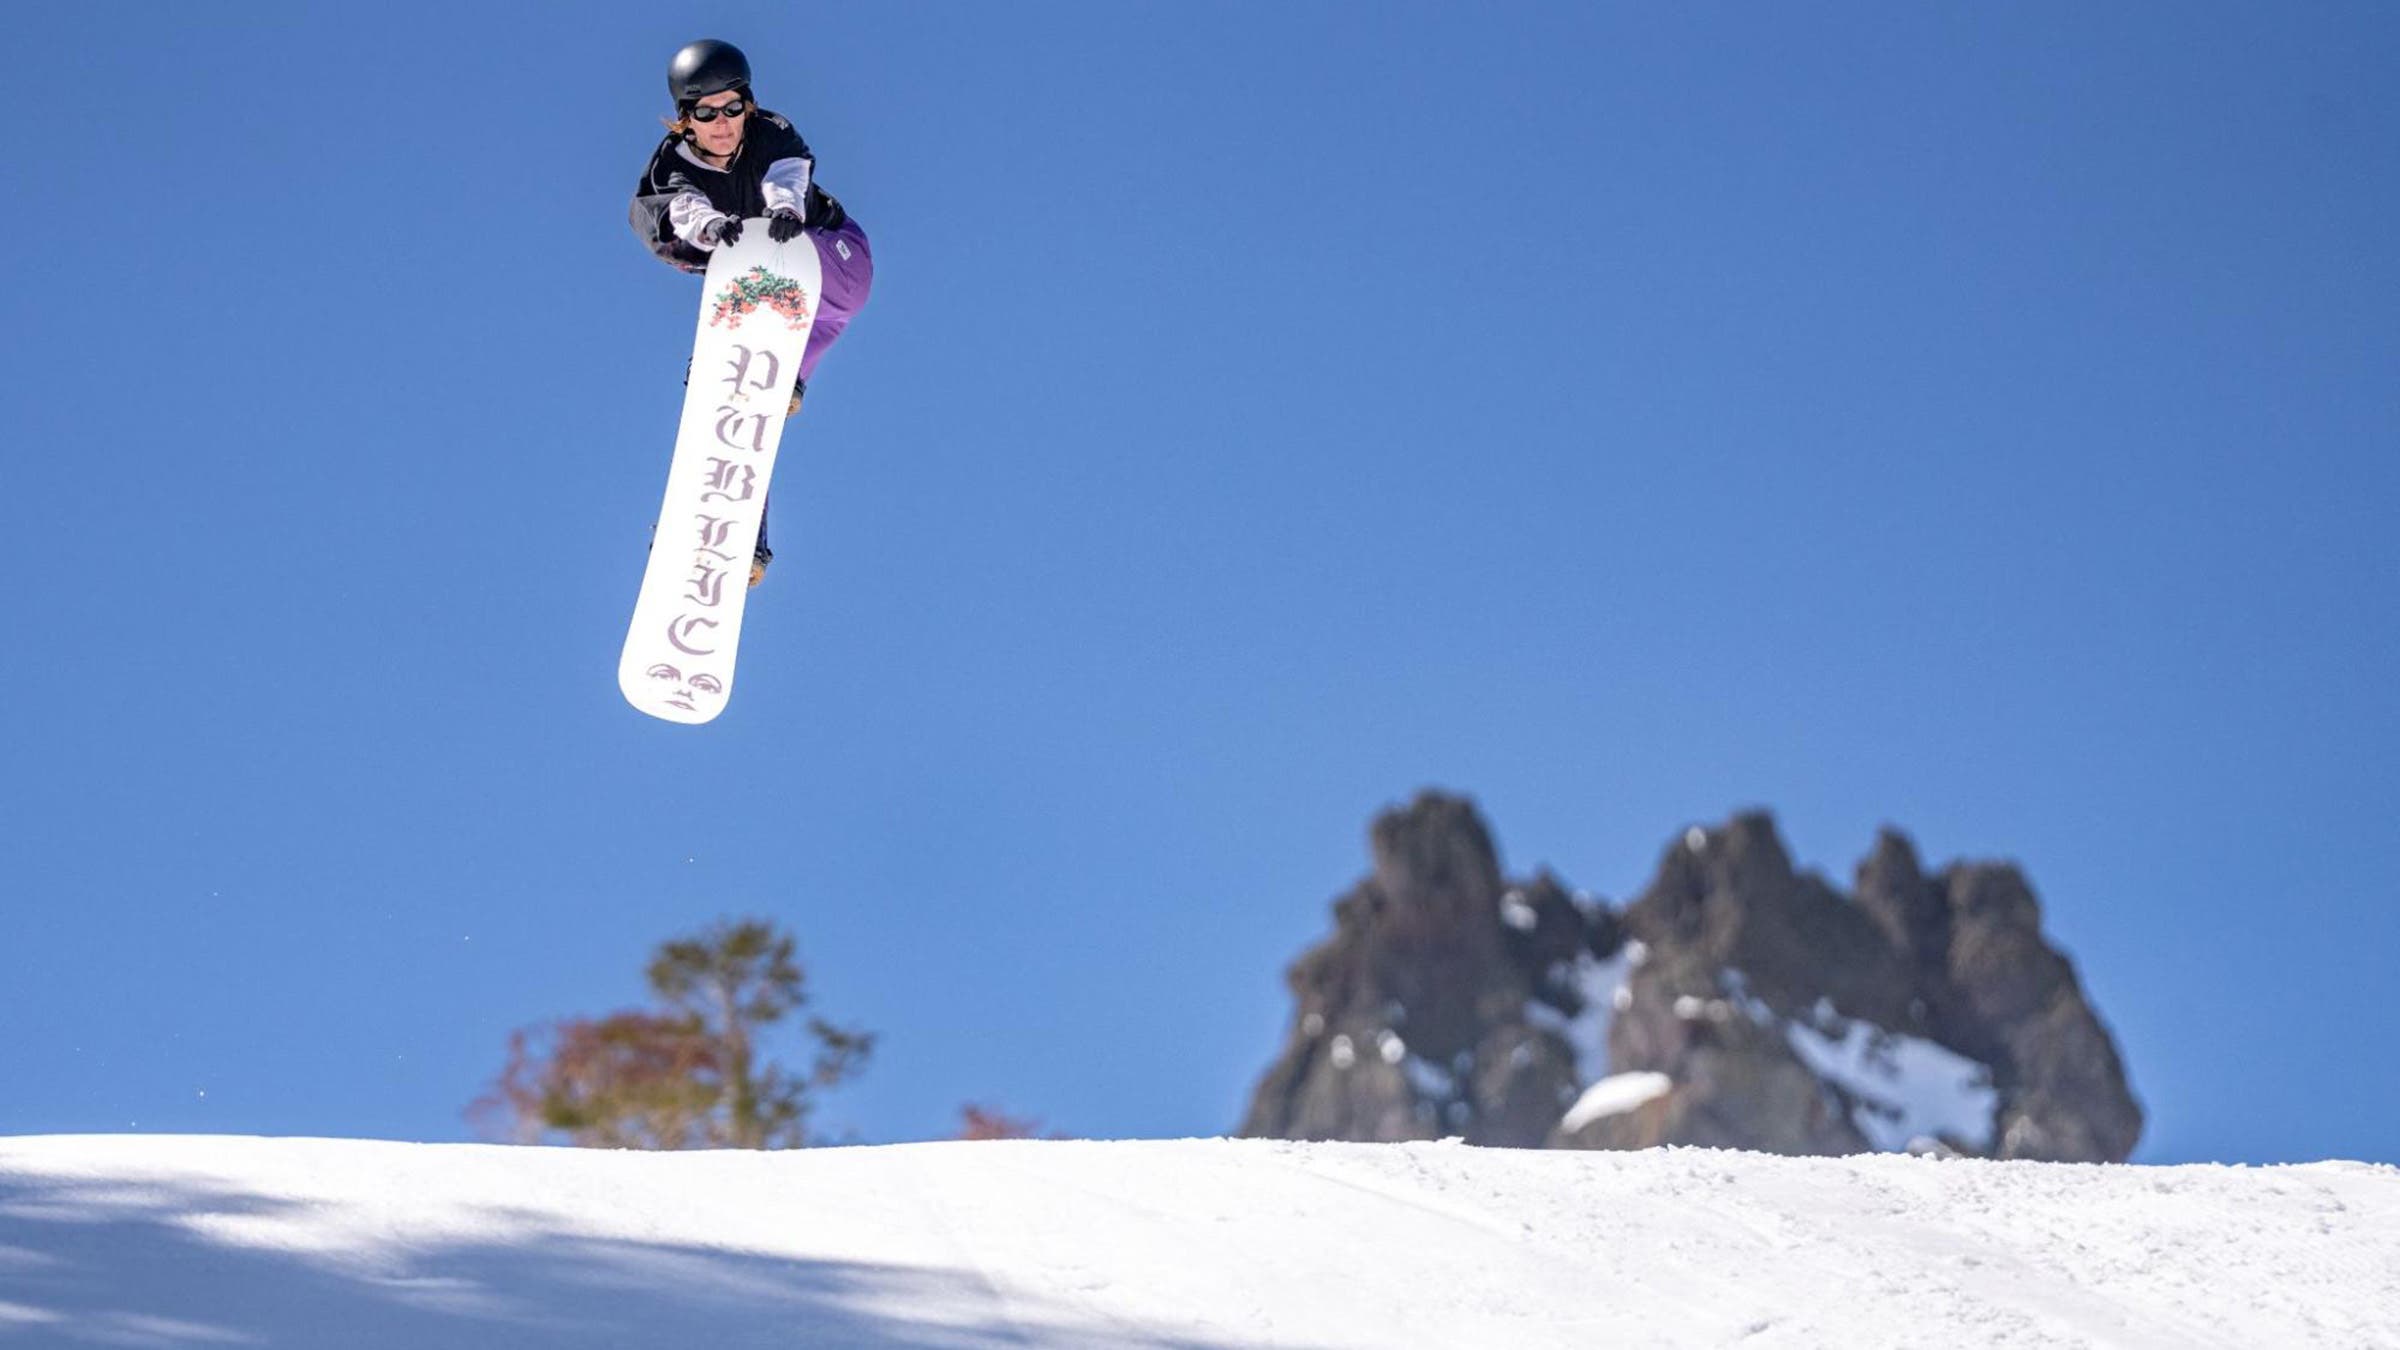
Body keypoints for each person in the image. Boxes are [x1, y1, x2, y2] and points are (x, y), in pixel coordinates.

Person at [629, 38, 874, 587]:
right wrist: (711, 229)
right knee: (735, 403)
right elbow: (680, 208)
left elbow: (785, 174)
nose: (722, 124)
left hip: (835, 263)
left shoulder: (772, 132)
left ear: (749, 105)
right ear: (684, 120)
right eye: (706, 113)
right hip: (777, 309)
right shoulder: (671, 166)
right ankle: (738, 540)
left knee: (767, 259)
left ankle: (774, 350)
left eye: (732, 108)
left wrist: (784, 210)